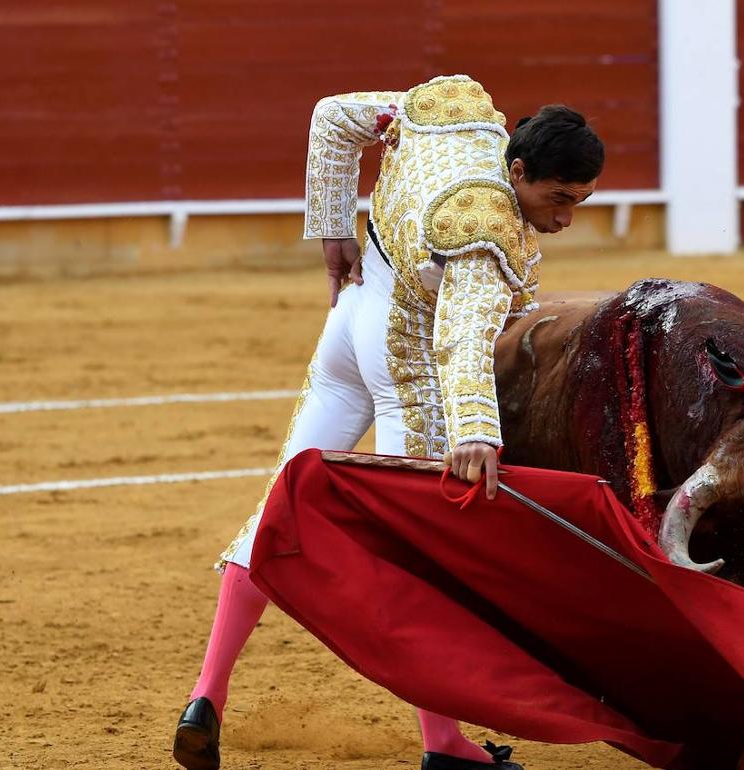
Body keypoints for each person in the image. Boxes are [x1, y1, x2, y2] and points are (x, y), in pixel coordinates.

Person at [171, 74, 604, 770]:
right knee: (420, 550)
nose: (564, 219)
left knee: (277, 507)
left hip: (350, 322)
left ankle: (206, 697)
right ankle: (444, 747)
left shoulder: (454, 113)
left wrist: (335, 229)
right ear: (517, 171)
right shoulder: (484, 231)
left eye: (580, 202)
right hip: (405, 359)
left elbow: (334, 117)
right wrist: (473, 431)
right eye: (557, 200)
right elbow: (462, 338)